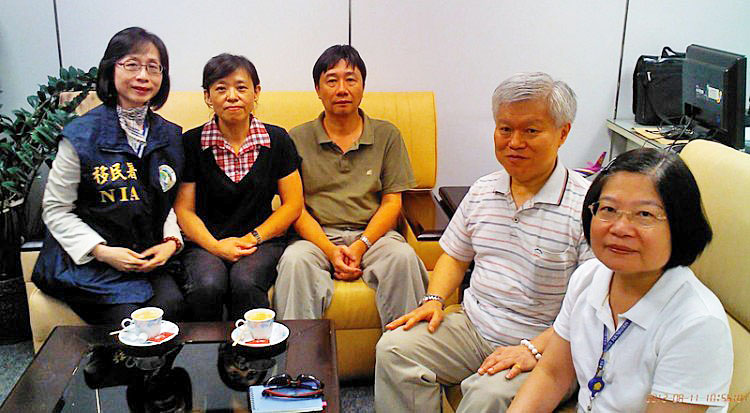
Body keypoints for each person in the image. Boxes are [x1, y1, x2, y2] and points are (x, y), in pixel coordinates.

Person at [375, 72, 594, 412]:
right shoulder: (482, 190)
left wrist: (534, 349)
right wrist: (433, 299)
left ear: (563, 133)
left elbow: (590, 309)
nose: (514, 142)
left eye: (530, 130)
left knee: (486, 394)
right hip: (473, 327)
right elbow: (454, 256)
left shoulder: (587, 209)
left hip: (547, 346)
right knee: (394, 348)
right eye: (505, 129)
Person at [508, 148, 732, 412]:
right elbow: (553, 375)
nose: (620, 228)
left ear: (680, 225)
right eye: (609, 209)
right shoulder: (588, 278)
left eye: (645, 215)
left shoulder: (697, 323)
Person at [32, 27, 186, 324]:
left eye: (153, 68)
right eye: (131, 65)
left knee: (175, 304)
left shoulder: (169, 135)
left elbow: (165, 198)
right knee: (135, 322)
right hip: (91, 260)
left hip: (145, 254)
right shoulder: (81, 135)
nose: (143, 76)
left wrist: (170, 243)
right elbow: (55, 209)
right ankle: (101, 369)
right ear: (110, 70)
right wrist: (102, 251)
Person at [272, 45, 428, 328]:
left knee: (403, 258)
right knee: (294, 263)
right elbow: (295, 207)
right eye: (332, 80)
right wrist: (331, 251)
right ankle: (297, 367)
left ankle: (405, 362)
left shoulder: (387, 134)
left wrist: (360, 245)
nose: (341, 88)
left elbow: (392, 202)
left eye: (351, 79)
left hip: (375, 237)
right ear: (318, 89)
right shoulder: (297, 137)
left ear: (363, 86)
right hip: (315, 239)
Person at [174, 54, 303, 321]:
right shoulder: (191, 142)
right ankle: (205, 360)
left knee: (246, 281)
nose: (232, 96)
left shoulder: (277, 140)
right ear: (208, 96)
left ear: (256, 92)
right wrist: (216, 246)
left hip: (261, 240)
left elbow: (292, 204)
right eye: (221, 88)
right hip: (204, 242)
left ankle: (252, 359)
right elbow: (184, 210)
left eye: (241, 87)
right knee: (207, 285)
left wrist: (250, 239)